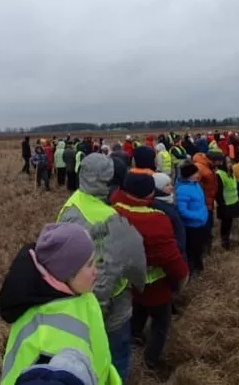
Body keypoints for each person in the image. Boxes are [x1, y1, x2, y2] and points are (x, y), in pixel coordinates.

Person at [56, 154, 146, 381]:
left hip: (76, 300)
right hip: (111, 306)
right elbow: (119, 269)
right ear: (109, 182)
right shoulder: (109, 216)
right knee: (116, 358)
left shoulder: (71, 204)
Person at [0, 223, 120, 385]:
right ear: (67, 274)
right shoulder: (48, 342)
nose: (96, 270)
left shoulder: (78, 294)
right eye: (89, 264)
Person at [108, 173, 189, 373]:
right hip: (156, 285)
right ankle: (151, 360)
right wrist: (181, 278)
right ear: (150, 193)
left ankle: (135, 335)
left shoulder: (114, 210)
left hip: (129, 281)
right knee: (161, 325)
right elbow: (170, 258)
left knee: (138, 308)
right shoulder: (155, 220)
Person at [174, 164, 209, 274]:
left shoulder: (196, 184)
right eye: (196, 173)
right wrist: (198, 215)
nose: (198, 174)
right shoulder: (182, 189)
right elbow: (182, 211)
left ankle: (199, 266)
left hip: (201, 222)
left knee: (199, 247)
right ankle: (192, 269)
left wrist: (204, 213)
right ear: (189, 175)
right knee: (193, 248)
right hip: (192, 226)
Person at [214, 156, 239, 250]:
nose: (230, 164)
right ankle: (224, 242)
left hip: (233, 202)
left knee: (230, 222)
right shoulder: (219, 174)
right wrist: (221, 203)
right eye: (228, 162)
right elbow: (218, 192)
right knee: (225, 224)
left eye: (231, 162)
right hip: (225, 204)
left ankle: (228, 238)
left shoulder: (230, 172)